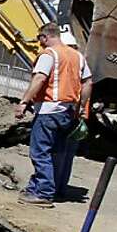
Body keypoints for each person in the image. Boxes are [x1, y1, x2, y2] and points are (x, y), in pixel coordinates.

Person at [14, 23, 93, 207]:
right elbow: (88, 82)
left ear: (45, 37)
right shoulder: (77, 56)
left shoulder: (49, 55)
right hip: (68, 112)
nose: (39, 43)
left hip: (48, 111)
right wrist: (82, 106)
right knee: (57, 152)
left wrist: (24, 101)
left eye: (39, 39)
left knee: (40, 152)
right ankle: (45, 189)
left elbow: (40, 78)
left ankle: (43, 193)